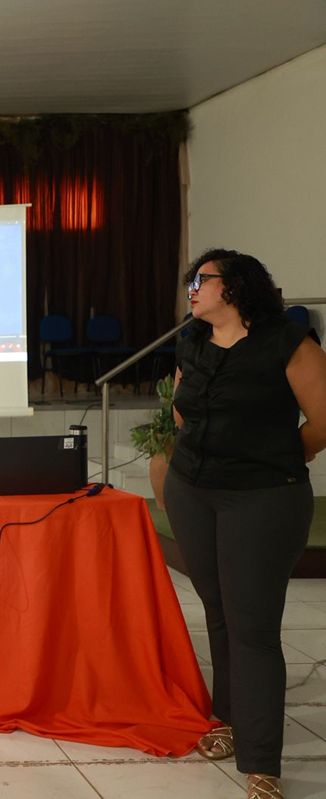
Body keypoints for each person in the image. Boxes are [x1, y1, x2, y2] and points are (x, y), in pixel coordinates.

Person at [165, 249, 326, 799]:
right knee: (218, 612)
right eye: (190, 281)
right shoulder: (192, 339)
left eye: (201, 280)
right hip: (192, 491)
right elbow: (182, 407)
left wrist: (279, 455)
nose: (191, 288)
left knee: (252, 628)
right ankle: (230, 721)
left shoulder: (288, 342)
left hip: (262, 498)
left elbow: (323, 419)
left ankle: (262, 765)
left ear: (234, 286)